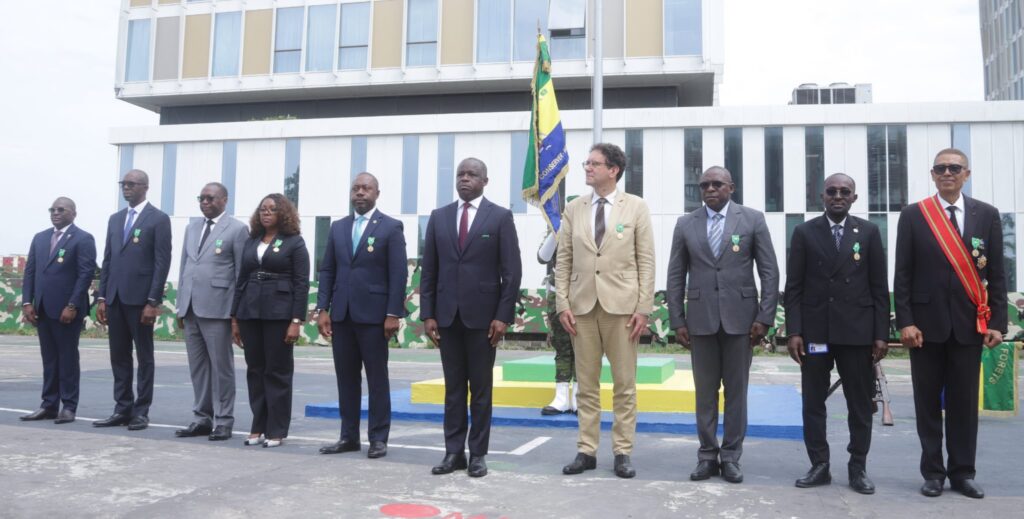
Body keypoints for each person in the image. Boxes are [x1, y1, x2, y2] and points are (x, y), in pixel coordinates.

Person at [894, 148, 1007, 499]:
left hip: (969, 325)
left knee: (963, 405)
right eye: (941, 168)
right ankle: (933, 473)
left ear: (966, 174)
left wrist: (998, 323)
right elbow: (902, 275)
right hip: (924, 329)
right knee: (926, 404)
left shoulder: (986, 215)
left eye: (954, 168)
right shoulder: (914, 215)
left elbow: (998, 275)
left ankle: (962, 472)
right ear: (932, 174)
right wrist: (906, 321)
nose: (948, 173)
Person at [666, 166, 779, 484]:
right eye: (704, 185)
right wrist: (678, 320)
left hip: (742, 321)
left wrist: (764, 317)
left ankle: (731, 457)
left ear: (731, 187)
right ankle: (706, 456)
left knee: (737, 393)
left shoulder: (753, 219)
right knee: (704, 393)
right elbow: (676, 275)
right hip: (699, 320)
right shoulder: (685, 223)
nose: (710, 189)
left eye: (717, 184)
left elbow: (769, 271)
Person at [784, 173, 888, 494]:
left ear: (854, 198)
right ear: (822, 196)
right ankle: (820, 464)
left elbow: (879, 288)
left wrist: (880, 334)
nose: (838, 196)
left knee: (859, 403)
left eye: (845, 191)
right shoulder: (804, 232)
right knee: (814, 401)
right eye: (832, 191)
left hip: (856, 334)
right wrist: (794, 331)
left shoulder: (869, 232)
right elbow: (794, 288)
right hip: (816, 335)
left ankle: (858, 466)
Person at [556, 143, 655, 479]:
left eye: (593, 164)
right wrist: (562, 304)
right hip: (582, 308)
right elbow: (564, 259)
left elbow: (646, 260)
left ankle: (623, 451)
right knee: (586, 384)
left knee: (624, 384)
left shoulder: (636, 207)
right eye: (587, 163)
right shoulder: (574, 209)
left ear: (613, 170)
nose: (587, 168)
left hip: (623, 310)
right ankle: (586, 450)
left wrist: (644, 307)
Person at [420, 158, 522, 478]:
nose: (465, 179)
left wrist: (502, 316)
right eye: (461, 174)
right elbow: (430, 271)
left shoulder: (501, 217)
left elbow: (512, 272)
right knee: (452, 390)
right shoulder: (439, 218)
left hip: (484, 321)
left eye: (472, 174)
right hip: (447, 319)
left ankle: (478, 453)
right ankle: (454, 453)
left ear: (485, 181)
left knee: (480, 390)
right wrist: (428, 314)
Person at [316, 173, 408, 459]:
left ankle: (378, 439)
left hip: (374, 317)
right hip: (342, 315)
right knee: (346, 378)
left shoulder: (391, 227)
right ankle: (348, 436)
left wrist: (393, 313)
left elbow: (398, 274)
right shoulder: (339, 227)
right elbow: (328, 270)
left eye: (365, 189)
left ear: (377, 193)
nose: (359, 193)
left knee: (377, 379)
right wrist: (323, 309)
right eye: (355, 189)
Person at [95, 170, 173, 431]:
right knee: (119, 356)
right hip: (115, 298)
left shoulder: (158, 219)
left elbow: (162, 263)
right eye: (123, 184)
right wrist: (102, 297)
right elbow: (108, 260)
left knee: (145, 357)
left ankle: (141, 411)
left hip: (141, 301)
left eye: (131, 184)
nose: (126, 188)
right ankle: (122, 408)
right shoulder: (115, 220)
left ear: (145, 187)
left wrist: (153, 301)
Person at [232, 194, 310, 448]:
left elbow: (301, 284)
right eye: (263, 209)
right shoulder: (251, 241)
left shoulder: (295, 243)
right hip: (249, 312)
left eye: (272, 209)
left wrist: (296, 320)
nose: (266, 213)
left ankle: (276, 429)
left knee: (277, 371)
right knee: (255, 370)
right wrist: (235, 317)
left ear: (283, 213)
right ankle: (258, 426)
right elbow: (241, 279)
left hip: (279, 314)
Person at [174, 183, 248, 442]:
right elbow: (185, 267)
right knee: (198, 368)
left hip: (219, 309)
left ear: (224, 200)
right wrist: (180, 306)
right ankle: (201, 418)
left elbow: (241, 273)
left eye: (210, 198)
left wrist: (236, 314)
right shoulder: (192, 228)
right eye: (201, 198)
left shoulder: (237, 229)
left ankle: (224, 420)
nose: (205, 202)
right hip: (191, 308)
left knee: (221, 368)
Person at [20, 197, 96, 425]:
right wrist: (27, 303)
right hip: (42, 308)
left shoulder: (83, 239)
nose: (55, 213)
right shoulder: (41, 238)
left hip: (67, 311)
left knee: (68, 358)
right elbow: (30, 272)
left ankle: (69, 407)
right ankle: (49, 405)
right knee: (49, 359)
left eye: (61, 210)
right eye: (52, 209)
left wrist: (72, 305)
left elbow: (85, 275)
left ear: (73, 213)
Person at [538, 230, 576, 415]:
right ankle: (561, 397)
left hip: (585, 293)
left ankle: (579, 396)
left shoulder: (591, 223)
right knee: (562, 347)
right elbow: (542, 256)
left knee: (584, 348)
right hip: (557, 294)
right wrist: (555, 231)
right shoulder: (555, 229)